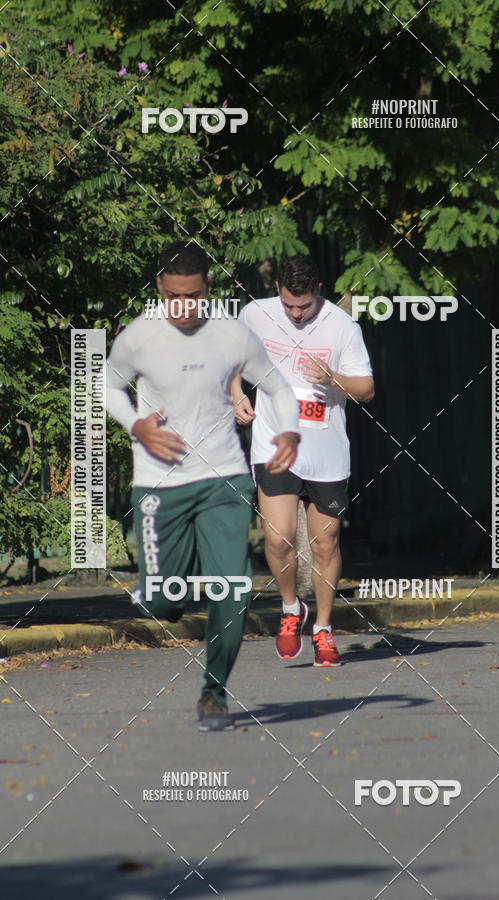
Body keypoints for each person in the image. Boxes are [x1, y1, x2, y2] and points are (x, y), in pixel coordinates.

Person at [105, 241, 300, 729]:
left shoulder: (232, 336)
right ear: (159, 289)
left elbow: (277, 386)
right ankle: (158, 589)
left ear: (207, 288)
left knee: (232, 590)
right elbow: (105, 384)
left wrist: (290, 430)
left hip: (223, 479)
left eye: (192, 296)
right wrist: (136, 426)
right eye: (173, 297)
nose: (183, 307)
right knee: (167, 600)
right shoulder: (139, 337)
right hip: (159, 484)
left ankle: (214, 693)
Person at [231, 255, 374, 666]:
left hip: (326, 451)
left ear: (319, 292)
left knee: (325, 542)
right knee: (277, 539)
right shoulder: (254, 315)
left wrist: (332, 377)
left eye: (304, 306)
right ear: (278, 290)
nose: (296, 314)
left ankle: (324, 629)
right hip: (274, 445)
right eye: (289, 305)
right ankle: (292, 608)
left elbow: (366, 390)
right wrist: (236, 393)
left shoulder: (341, 327)